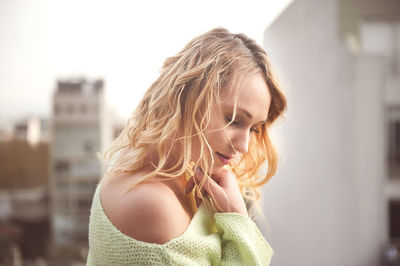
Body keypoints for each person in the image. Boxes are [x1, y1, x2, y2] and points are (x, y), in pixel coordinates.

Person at [86, 27, 287, 266]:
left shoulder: (151, 163)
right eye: (233, 119)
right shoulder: (154, 205)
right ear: (188, 97)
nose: (244, 146)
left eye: (254, 128)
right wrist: (237, 218)